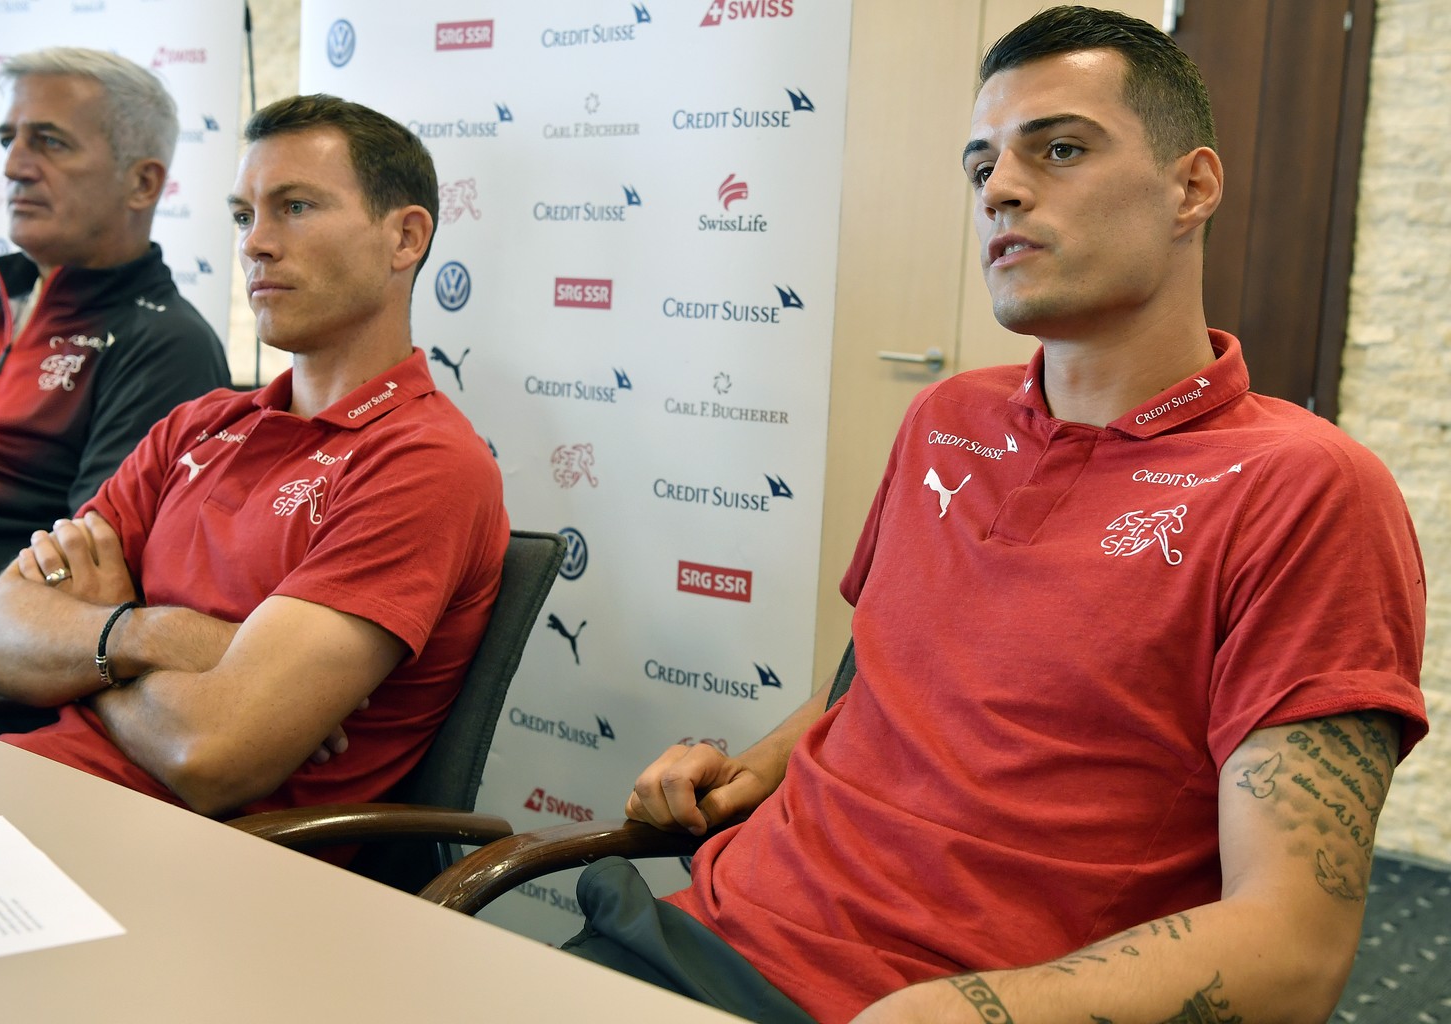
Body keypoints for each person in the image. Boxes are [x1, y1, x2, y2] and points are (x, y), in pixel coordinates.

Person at [570, 8, 1429, 1024]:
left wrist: (965, 1011)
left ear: (1190, 187)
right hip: (698, 934)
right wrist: (753, 764)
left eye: (1060, 149)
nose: (1003, 190)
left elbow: (1291, 950)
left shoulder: (1302, 489)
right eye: (981, 166)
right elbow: (880, 678)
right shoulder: (948, 417)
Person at [0, 94, 509, 821]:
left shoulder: (424, 460)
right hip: (26, 794)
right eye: (245, 215)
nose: (255, 244)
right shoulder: (198, 425)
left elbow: (211, 757)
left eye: (296, 207)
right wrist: (153, 632)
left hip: (181, 867)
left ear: (405, 238)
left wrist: (87, 649)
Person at [0, 48, 230, 659]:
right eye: (9, 139)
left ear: (143, 182)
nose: (13, 166)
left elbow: (81, 590)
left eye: (50, 143)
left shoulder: (165, 345)